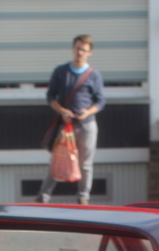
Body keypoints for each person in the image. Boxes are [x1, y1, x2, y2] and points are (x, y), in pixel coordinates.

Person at [37, 35, 105, 205]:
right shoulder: (61, 72)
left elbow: (100, 101)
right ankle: (43, 197)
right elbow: (50, 96)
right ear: (72, 49)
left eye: (83, 49)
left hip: (86, 125)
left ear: (90, 52)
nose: (79, 52)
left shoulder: (94, 75)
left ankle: (83, 197)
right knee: (57, 159)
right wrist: (61, 111)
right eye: (77, 48)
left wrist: (87, 112)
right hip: (65, 125)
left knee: (85, 163)